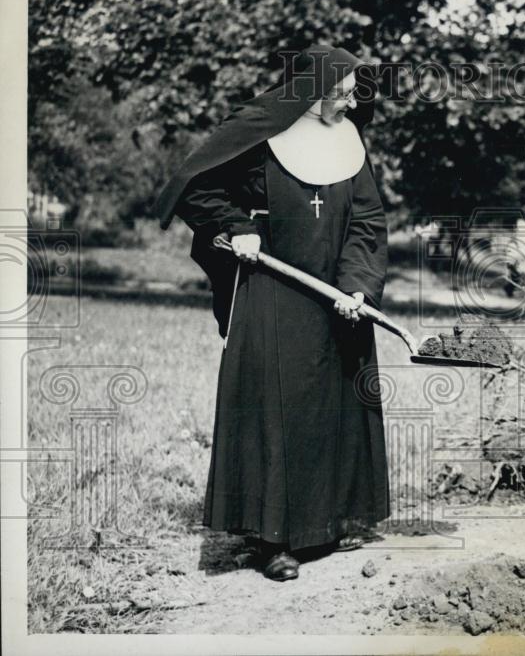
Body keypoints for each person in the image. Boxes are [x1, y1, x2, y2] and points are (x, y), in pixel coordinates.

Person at [156, 45, 389, 581]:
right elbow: (198, 187)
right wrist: (238, 227)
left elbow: (368, 221)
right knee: (274, 408)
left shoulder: (351, 141)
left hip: (335, 296)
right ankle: (272, 540)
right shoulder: (258, 129)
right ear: (317, 87)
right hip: (269, 286)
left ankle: (325, 524)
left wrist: (357, 286)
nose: (356, 98)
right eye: (348, 85)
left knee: (331, 405)